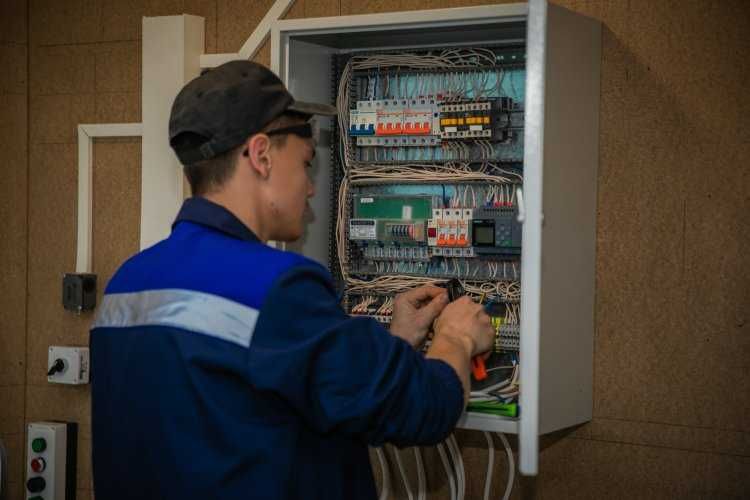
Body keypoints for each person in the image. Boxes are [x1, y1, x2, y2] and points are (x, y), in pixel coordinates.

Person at [90, 60, 494, 499]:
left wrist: (393, 344)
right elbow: (424, 408)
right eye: (305, 163)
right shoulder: (276, 287)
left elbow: (247, 398)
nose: (311, 188)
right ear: (261, 155)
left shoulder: (127, 283)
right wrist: (456, 338)